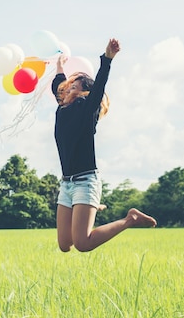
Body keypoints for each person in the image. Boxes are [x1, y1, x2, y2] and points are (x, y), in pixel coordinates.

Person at [52, 38, 157, 252]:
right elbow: (58, 85)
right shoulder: (62, 108)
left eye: (75, 86)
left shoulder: (86, 110)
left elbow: (98, 87)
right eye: (69, 85)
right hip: (67, 184)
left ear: (84, 93)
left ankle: (130, 219)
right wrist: (60, 66)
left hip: (85, 182)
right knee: (65, 245)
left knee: (82, 244)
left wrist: (107, 59)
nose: (69, 88)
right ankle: (91, 206)